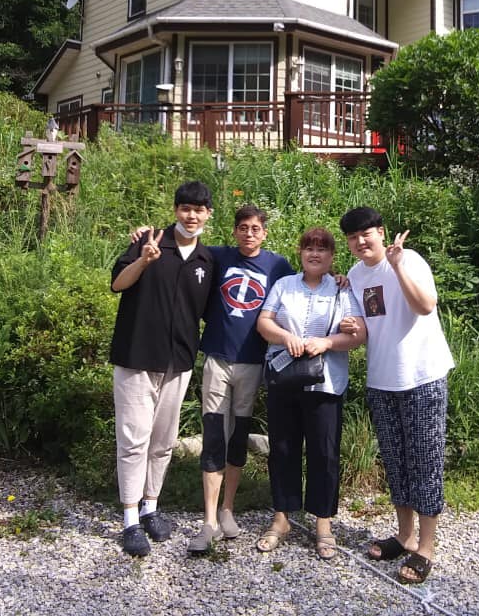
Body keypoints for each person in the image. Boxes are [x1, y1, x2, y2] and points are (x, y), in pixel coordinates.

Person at [131, 205, 295, 556]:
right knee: (214, 433)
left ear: (264, 233)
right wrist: (146, 231)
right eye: (243, 228)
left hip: (253, 362)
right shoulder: (216, 256)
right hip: (217, 359)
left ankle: (227, 509)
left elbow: (302, 288)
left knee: (238, 436)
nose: (249, 234)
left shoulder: (278, 266)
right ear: (234, 231)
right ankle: (208, 520)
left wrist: (336, 280)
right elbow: (181, 241)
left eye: (255, 229)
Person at [339, 206, 454, 585]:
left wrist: (398, 265)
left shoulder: (410, 260)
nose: (360, 242)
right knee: (395, 461)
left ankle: (427, 547)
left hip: (422, 375)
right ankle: (405, 536)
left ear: (381, 232)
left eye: (366, 233)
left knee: (425, 461)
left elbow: (425, 306)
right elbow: (366, 326)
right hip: (382, 378)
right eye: (353, 237)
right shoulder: (356, 274)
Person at [110, 181, 215, 557]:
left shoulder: (207, 260)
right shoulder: (148, 241)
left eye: (199, 210)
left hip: (179, 362)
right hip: (137, 357)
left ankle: (150, 508)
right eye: (185, 208)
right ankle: (129, 520)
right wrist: (143, 260)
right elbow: (117, 284)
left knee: (163, 441)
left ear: (208, 214)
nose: (192, 215)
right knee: (133, 440)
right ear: (175, 210)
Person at [255, 227, 366, 559]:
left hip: (326, 383)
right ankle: (281, 518)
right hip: (285, 379)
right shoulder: (284, 285)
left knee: (324, 452)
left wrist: (328, 342)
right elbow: (263, 323)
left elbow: (358, 335)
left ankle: (323, 524)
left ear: (332, 256)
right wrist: (284, 336)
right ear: (300, 253)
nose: (315, 254)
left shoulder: (342, 289)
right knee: (282, 448)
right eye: (309, 248)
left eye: (322, 249)